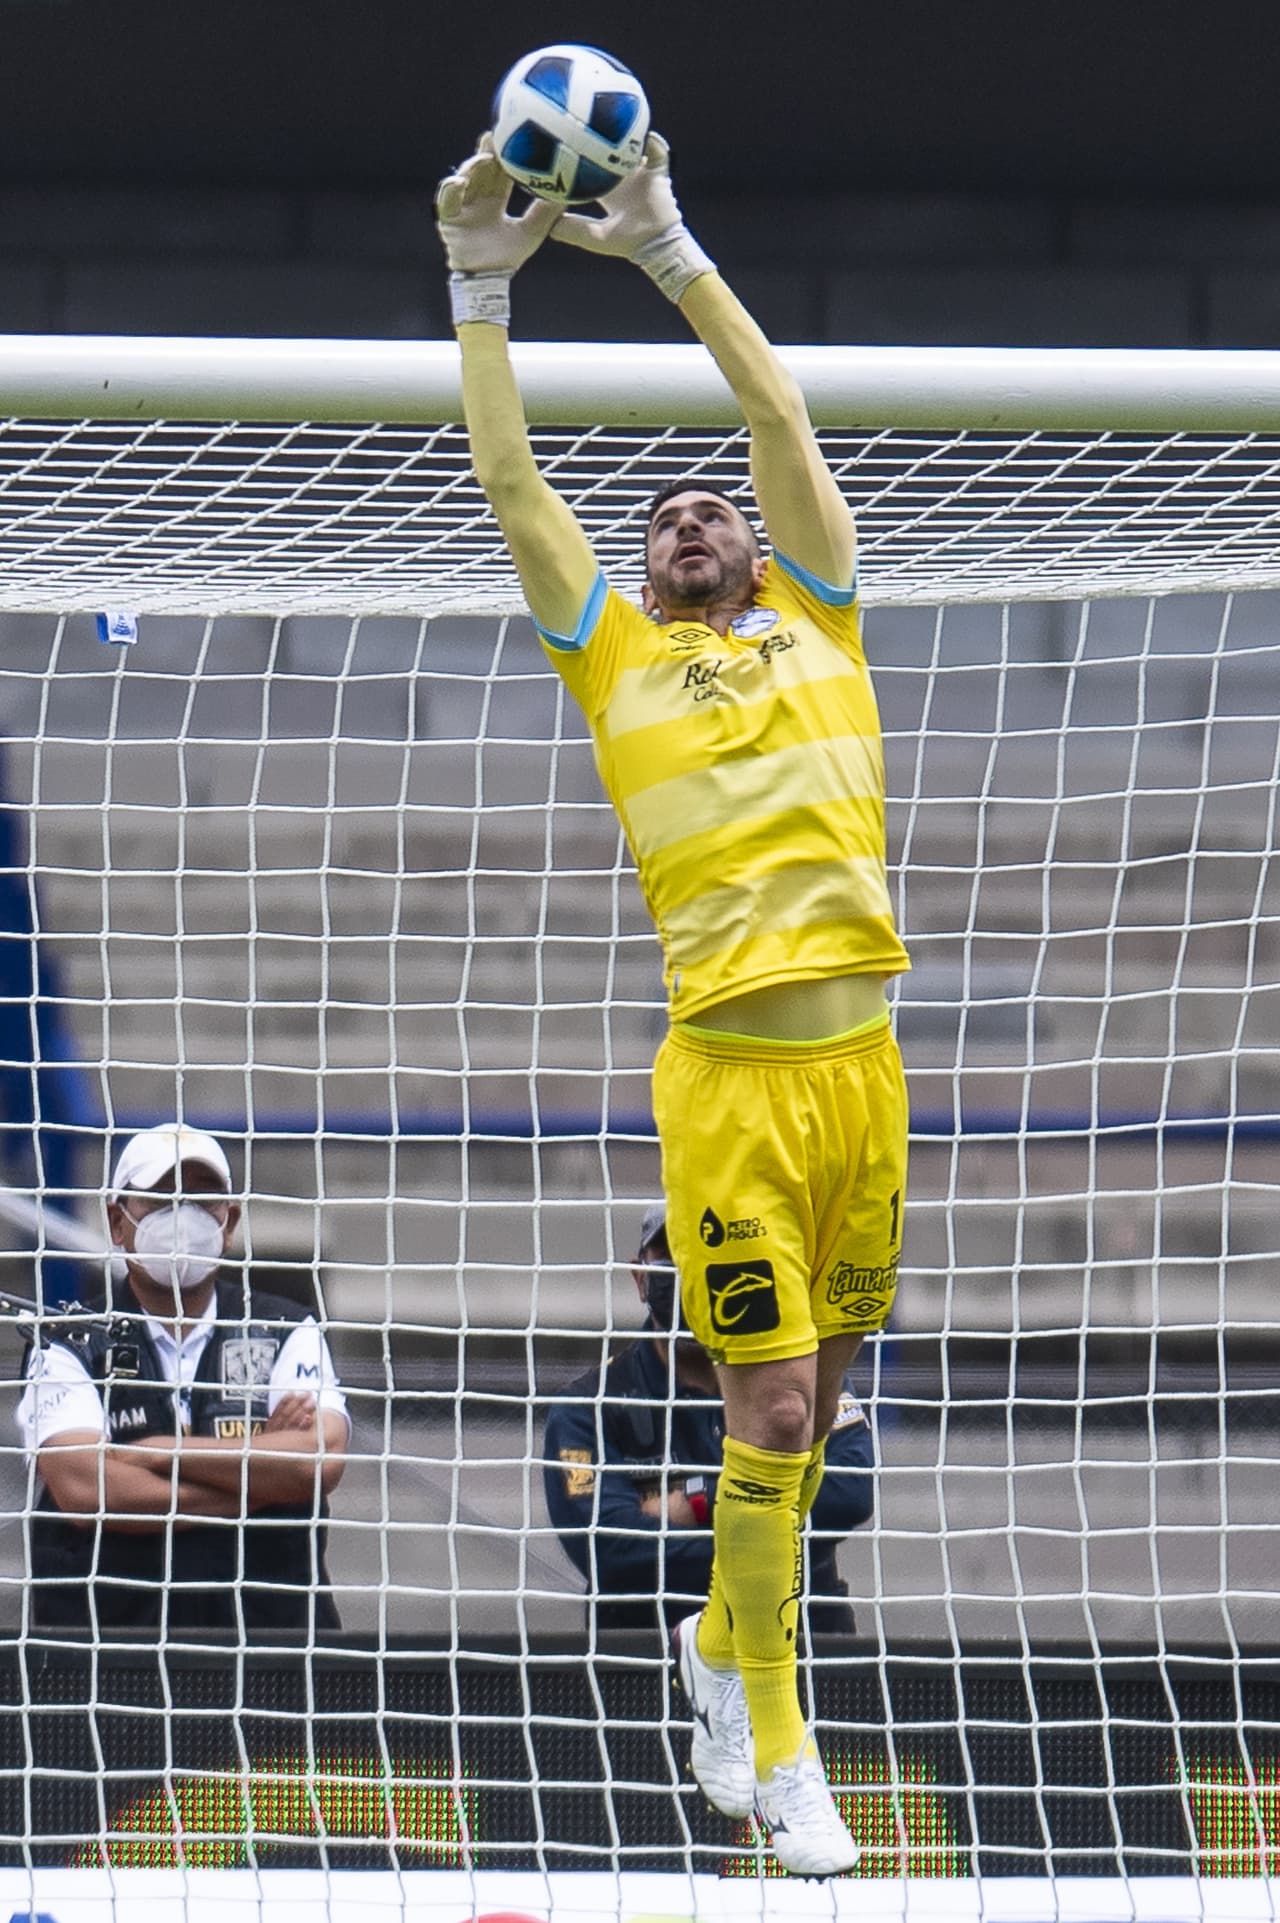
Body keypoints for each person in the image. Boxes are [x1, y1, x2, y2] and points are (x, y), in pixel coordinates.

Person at [436, 128, 909, 1876]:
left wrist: (669, 249)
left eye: (709, 507)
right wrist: (485, 291)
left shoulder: (828, 623)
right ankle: (775, 1736)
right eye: (663, 520)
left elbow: (781, 425)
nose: (692, 515)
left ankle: (724, 1648)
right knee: (768, 1412)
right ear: (642, 581)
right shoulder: (616, 653)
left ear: (766, 555)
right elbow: (511, 491)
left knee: (821, 1405)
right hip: (725, 1083)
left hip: (866, 1073)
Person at [17, 1124, 349, 1638]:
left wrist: (154, 1451)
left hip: (271, 1653)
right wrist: (259, 1475)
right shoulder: (67, 1344)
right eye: (161, 1199)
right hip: (109, 1662)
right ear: (117, 1221)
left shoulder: (288, 1328)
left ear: (229, 1221)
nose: (182, 1215)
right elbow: (86, 1488)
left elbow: (315, 1460)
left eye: (201, 1199)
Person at [544, 1206, 875, 1637]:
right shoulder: (588, 1406)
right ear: (639, 1277)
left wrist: (695, 1501)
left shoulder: (800, 1380)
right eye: (675, 1253)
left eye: (711, 1251)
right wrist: (769, 1525)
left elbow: (849, 1491)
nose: (693, 1271)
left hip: (804, 1645)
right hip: (645, 1661)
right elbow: (608, 1549)